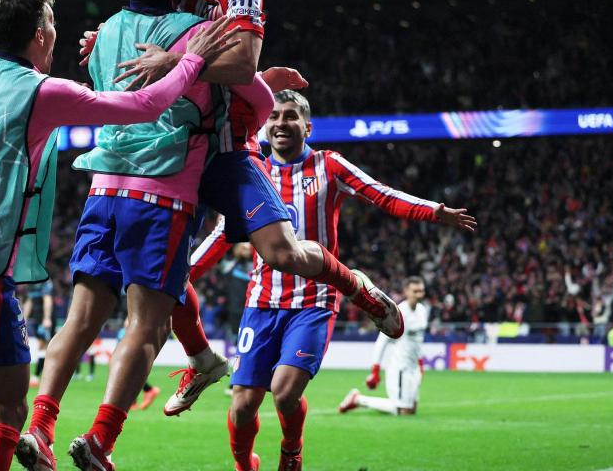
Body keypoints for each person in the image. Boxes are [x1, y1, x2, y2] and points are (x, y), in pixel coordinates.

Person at [0, 0, 236, 471]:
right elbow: (144, 107)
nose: (56, 35)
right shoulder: (43, 90)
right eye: (53, 25)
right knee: (7, 410)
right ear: (40, 35)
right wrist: (189, 61)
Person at [100, 0, 406, 418]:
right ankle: (197, 364)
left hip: (230, 147)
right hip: (176, 150)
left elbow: (242, 63)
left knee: (281, 253)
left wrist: (178, 60)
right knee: (165, 278)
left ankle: (357, 286)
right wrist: (100, 40)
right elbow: (136, 20)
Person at [16, 0, 254, 471]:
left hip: (104, 188)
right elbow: (238, 79)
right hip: (163, 192)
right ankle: (99, 441)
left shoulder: (101, 39)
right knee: (146, 325)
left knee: (79, 320)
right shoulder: (193, 33)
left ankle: (40, 427)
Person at [190, 90, 476, 471]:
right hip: (261, 302)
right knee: (242, 405)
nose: (280, 124)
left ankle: (292, 451)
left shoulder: (330, 166)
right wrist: (181, 273)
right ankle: (245, 464)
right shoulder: (251, 170)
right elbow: (225, 233)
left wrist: (434, 211)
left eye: (290, 116)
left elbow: (382, 195)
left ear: (307, 127)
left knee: (284, 393)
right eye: (273, 117)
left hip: (315, 301)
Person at [339, 277, 431, 417]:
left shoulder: (422, 310)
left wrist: (420, 364)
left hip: (414, 367)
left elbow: (418, 341)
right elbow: (382, 341)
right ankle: (358, 399)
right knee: (402, 411)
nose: (419, 294)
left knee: (412, 409)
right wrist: (375, 369)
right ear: (406, 291)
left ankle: (359, 399)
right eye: (415, 291)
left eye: (421, 291)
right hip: (401, 366)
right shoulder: (399, 313)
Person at [21, 281, 54, 388]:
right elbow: (29, 301)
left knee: (44, 346)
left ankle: (36, 376)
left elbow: (47, 300)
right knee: (43, 346)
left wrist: (47, 318)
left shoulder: (45, 282)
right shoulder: (31, 284)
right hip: (37, 318)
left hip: (44, 318)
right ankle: (43, 376)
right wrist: (23, 319)